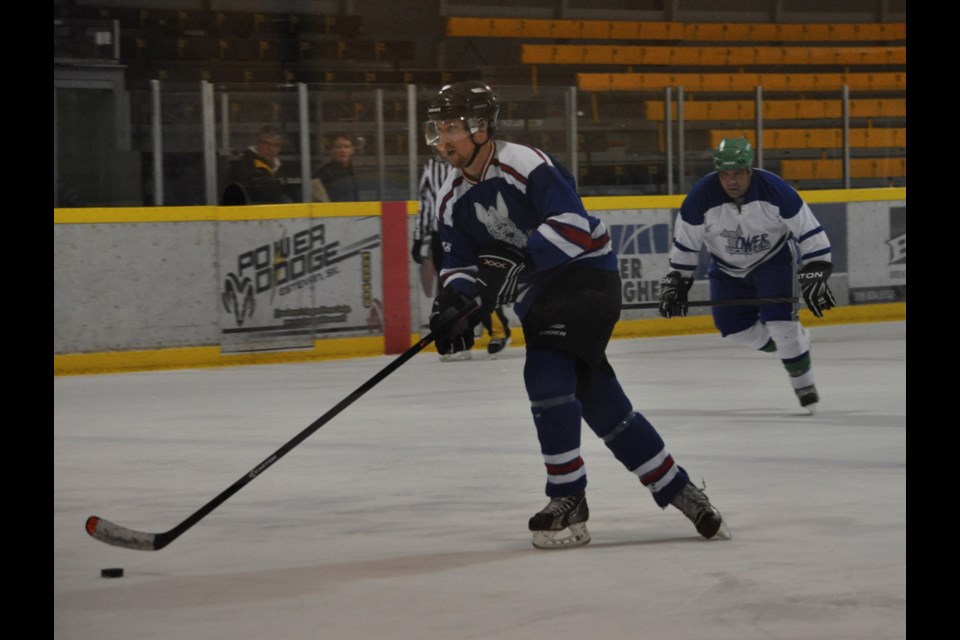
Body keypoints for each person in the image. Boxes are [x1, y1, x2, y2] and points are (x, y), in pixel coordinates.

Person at [425, 80, 729, 549]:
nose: (443, 140)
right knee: (597, 396)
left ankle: (568, 495)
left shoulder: (523, 163)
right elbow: (459, 265)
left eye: (451, 128)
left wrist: (518, 263)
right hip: (536, 296)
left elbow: (573, 227)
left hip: (585, 276)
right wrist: (454, 309)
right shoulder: (450, 196)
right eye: (438, 129)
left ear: (480, 128)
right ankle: (679, 490)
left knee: (546, 373)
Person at [658, 136, 836, 414]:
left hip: (773, 261)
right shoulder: (699, 198)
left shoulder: (776, 190)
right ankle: (792, 346)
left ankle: (804, 385)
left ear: (750, 170)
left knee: (781, 324)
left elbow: (809, 231)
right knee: (733, 329)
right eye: (724, 174)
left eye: (738, 173)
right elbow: (685, 244)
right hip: (726, 268)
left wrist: (817, 266)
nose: (731, 181)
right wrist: (677, 280)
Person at [412, 154, 512, 360]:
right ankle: (458, 339)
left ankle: (498, 332)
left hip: (473, 232)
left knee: (480, 283)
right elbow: (426, 203)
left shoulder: (474, 163)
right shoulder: (431, 166)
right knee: (449, 289)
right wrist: (419, 236)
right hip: (442, 234)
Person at [223, 125, 290, 205]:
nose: (270, 149)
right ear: (258, 143)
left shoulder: (279, 168)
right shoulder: (243, 167)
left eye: (275, 145)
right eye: (266, 143)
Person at [313, 133, 360, 202]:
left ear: (352, 151)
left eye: (346, 147)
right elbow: (320, 201)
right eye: (338, 147)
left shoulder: (353, 171)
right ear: (331, 150)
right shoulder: (322, 173)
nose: (342, 150)